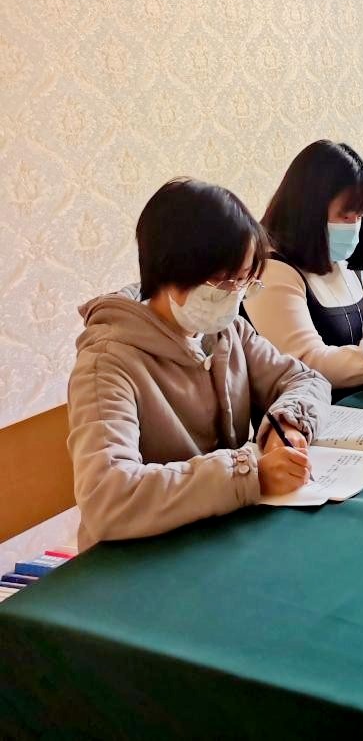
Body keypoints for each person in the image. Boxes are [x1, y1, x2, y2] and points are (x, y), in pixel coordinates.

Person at [67, 178, 331, 549]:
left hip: (221, 534)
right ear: (169, 271)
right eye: (223, 281)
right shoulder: (107, 364)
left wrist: (286, 425)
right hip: (143, 559)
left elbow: (307, 380)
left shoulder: (226, 331)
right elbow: (107, 498)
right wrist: (249, 475)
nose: (235, 295)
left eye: (244, 281)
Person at [245, 141, 363, 400]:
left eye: (360, 216)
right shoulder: (272, 271)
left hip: (361, 406)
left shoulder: (342, 260)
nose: (354, 226)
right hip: (309, 417)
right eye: (345, 216)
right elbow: (309, 363)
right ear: (307, 210)